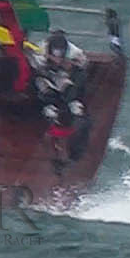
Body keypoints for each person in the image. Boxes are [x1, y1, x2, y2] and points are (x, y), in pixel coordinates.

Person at [32, 30, 89, 166]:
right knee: (46, 109)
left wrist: (67, 70)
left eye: (60, 57)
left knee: (80, 118)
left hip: (68, 82)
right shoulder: (40, 52)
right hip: (47, 80)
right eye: (54, 56)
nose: (57, 59)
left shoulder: (76, 55)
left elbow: (82, 71)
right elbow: (36, 71)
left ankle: (75, 156)